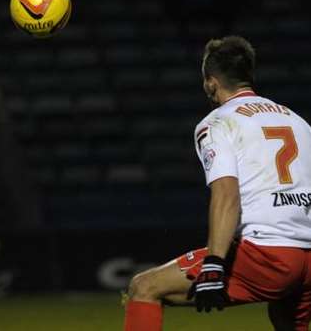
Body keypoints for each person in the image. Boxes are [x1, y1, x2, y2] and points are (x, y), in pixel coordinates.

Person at [123, 36, 311, 331]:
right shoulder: (298, 122)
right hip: (308, 258)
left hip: (267, 255)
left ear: (211, 83)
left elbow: (227, 195)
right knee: (285, 320)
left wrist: (214, 262)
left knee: (144, 287)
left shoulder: (218, 123)